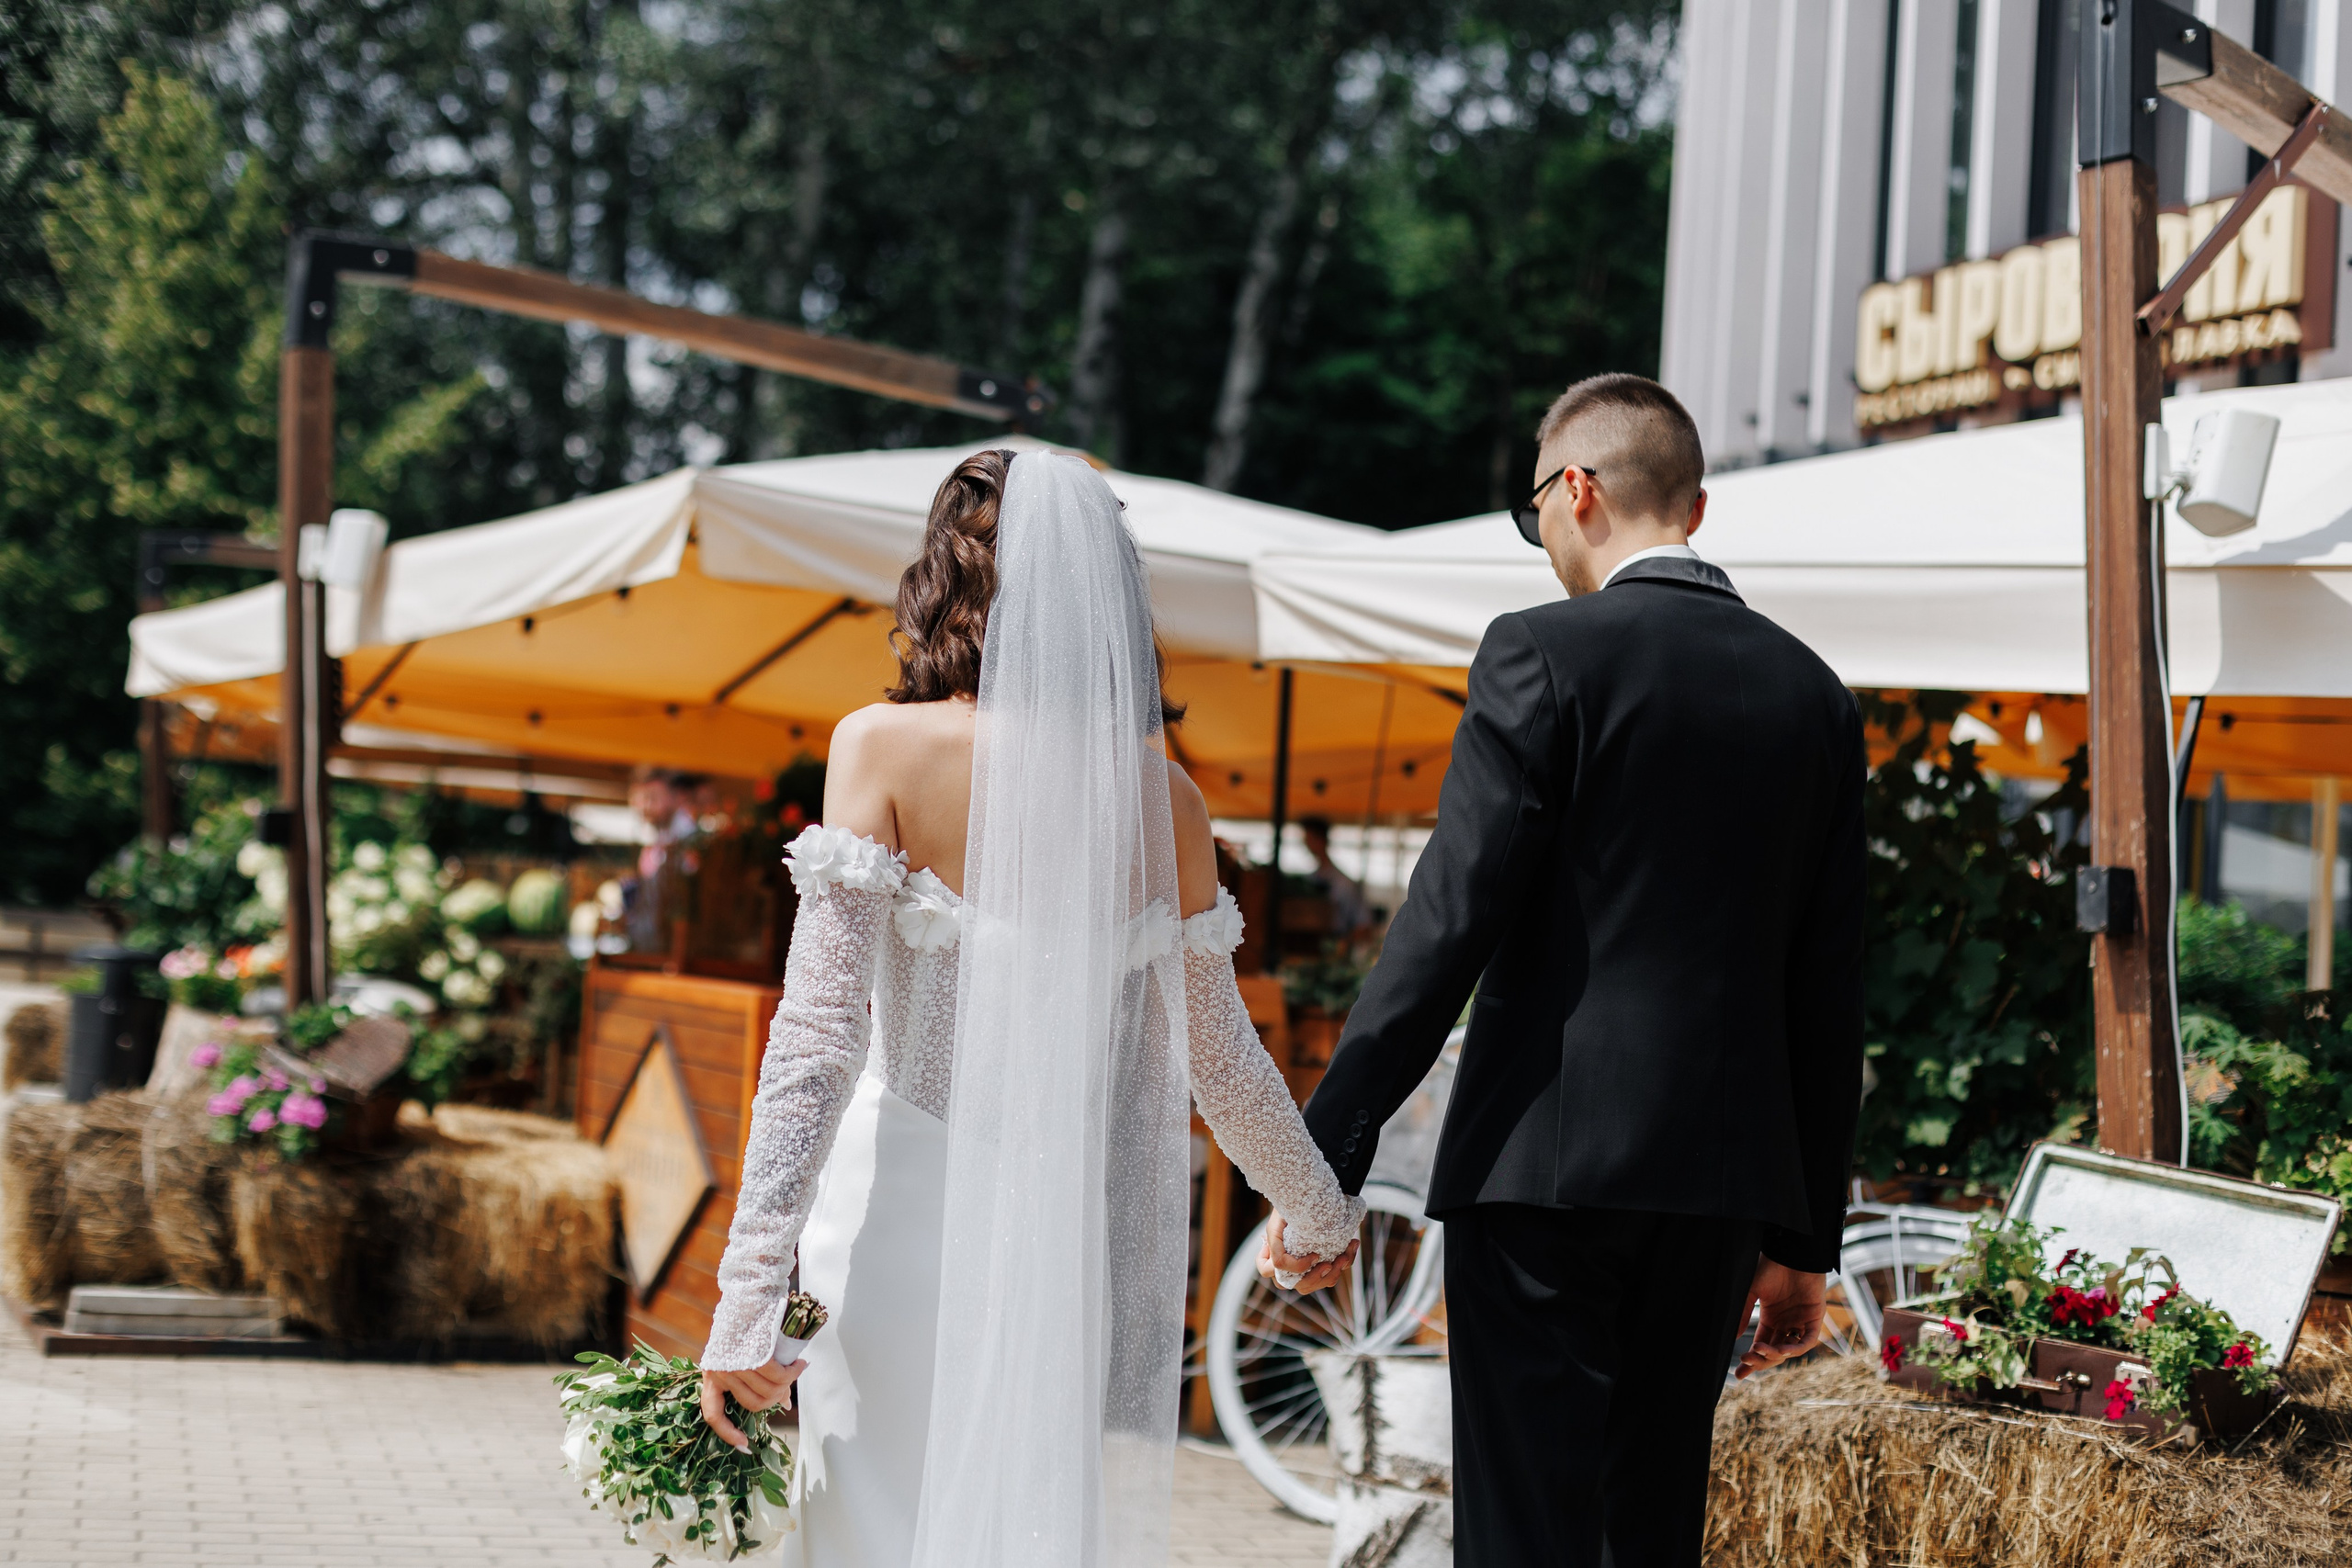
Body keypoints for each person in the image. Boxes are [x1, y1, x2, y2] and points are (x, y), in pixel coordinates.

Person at [697, 448, 1363, 1568]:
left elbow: (816, 1038)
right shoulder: (1170, 803)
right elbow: (1222, 1056)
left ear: (948, 576)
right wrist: (1317, 1212)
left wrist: (746, 1291)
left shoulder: (883, 746)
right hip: (1057, 1232)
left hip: (896, 1217)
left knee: (873, 1529)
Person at [1271, 374, 1866, 1566]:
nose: (1540, 532)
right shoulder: (1818, 696)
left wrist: (1322, 1145)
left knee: (1524, 1527)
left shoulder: (1542, 652)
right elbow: (1828, 983)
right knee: (1646, 1526)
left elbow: (1448, 920)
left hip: (1541, 1166)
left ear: (1578, 489)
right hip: (1717, 1184)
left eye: (1535, 504)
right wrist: (1806, 1239)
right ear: (1693, 509)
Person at [1295, 816, 1373, 942]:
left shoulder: (1344, 884)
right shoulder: (1311, 879)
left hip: (1334, 944)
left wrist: (1343, 944)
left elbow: (1364, 925)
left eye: (1309, 839)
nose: (1306, 844)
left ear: (1321, 840)